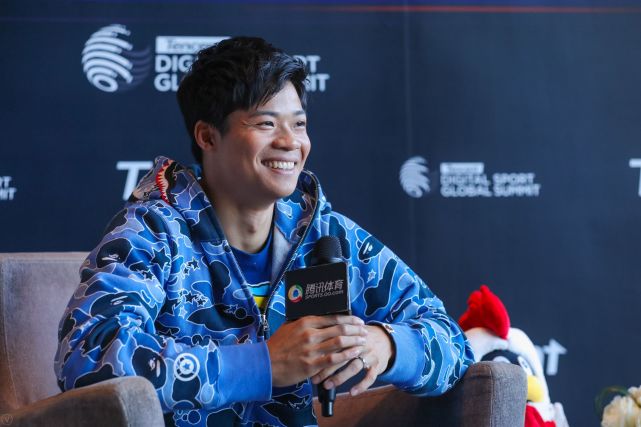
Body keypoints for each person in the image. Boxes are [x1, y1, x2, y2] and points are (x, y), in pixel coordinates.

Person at [55, 36, 474, 426]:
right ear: (207, 136)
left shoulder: (325, 234)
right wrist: (266, 364)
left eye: (299, 124)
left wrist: (386, 345)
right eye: (266, 124)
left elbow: (454, 345)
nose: (290, 142)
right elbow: (89, 357)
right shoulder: (153, 232)